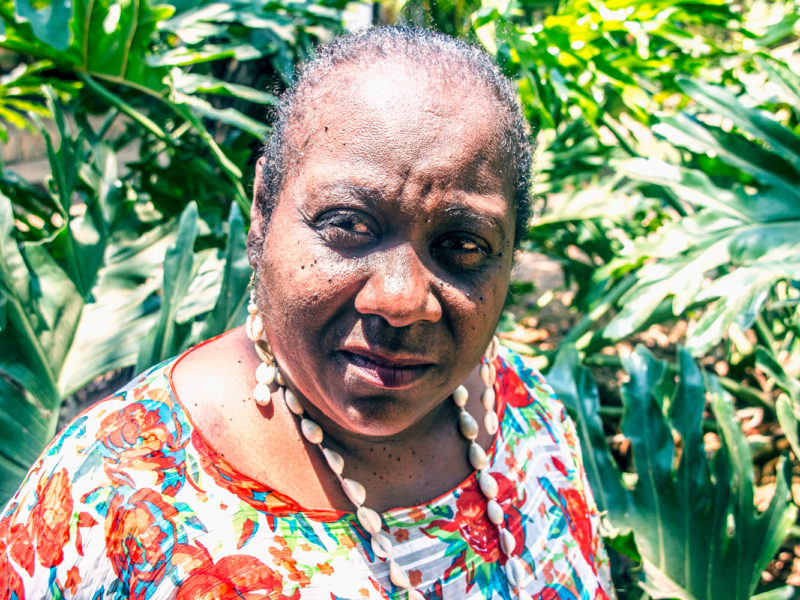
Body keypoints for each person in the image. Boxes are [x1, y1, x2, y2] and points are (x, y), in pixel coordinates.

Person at [0, 27, 614, 600]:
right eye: (348, 225)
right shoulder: (111, 499)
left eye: (461, 246)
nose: (400, 302)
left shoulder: (525, 415)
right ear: (264, 208)